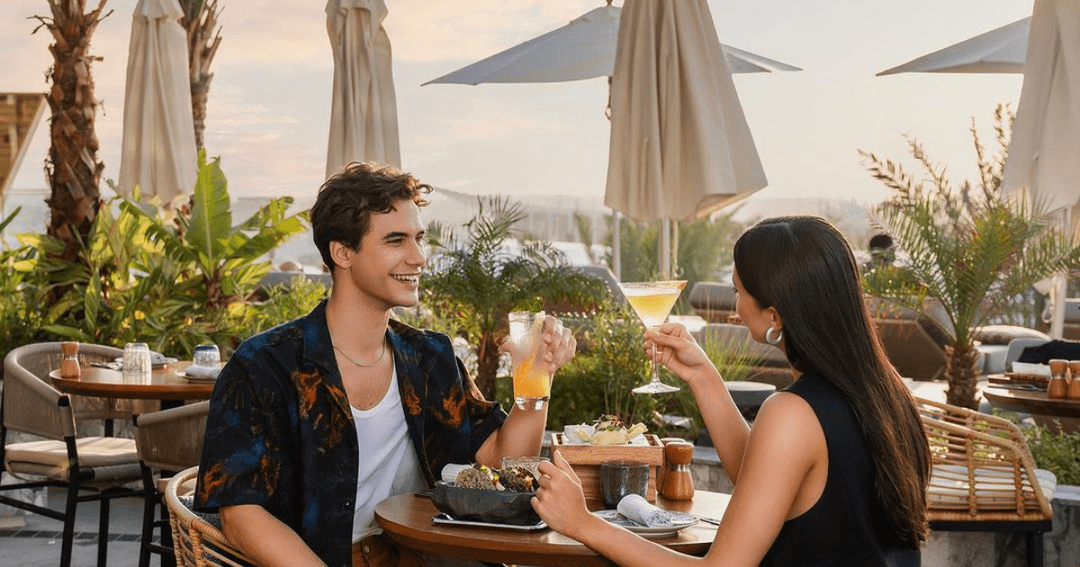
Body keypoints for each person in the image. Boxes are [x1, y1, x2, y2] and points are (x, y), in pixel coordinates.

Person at [195, 162, 577, 567]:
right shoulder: (264, 366)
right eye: (396, 241)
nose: (418, 258)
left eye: (419, 239)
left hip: (422, 556)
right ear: (343, 253)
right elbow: (240, 513)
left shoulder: (430, 358)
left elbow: (503, 463)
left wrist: (537, 379)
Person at [532, 216, 931, 567]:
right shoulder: (886, 392)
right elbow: (771, 484)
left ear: (774, 315)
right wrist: (704, 377)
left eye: (739, 291)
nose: (734, 306)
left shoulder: (792, 413)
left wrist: (582, 522)